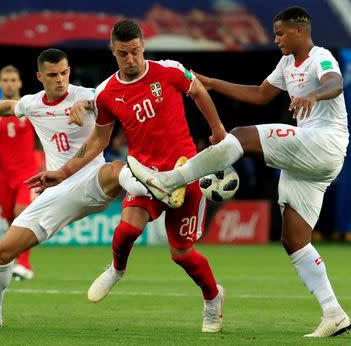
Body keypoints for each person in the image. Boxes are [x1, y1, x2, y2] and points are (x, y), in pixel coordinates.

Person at [127, 6, 351, 338]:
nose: (275, 39)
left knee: (243, 135)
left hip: (324, 142)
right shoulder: (288, 63)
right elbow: (261, 95)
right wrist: (213, 84)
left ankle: (169, 179)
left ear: (300, 31)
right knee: (294, 239)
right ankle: (334, 313)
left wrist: (314, 94)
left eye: (280, 33)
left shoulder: (321, 57)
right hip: (310, 161)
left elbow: (335, 82)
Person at [28, 20, 228, 333]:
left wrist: (218, 131)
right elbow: (98, 141)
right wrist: (62, 172)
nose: (130, 59)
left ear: (143, 46)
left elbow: (199, 91)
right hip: (144, 175)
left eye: (135, 51)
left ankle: (213, 299)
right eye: (123, 54)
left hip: (185, 170)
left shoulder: (169, 70)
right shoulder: (108, 92)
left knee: (182, 254)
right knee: (125, 231)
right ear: (113, 51)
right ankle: (117, 269)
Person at [0, 48, 148, 329]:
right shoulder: (33, 104)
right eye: (53, 75)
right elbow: (10, 107)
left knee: (116, 169)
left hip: (91, 179)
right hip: (57, 192)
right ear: (40, 76)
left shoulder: (86, 94)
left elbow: (102, 101)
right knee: (2, 252)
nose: (60, 80)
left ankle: (152, 188)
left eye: (64, 73)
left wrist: (85, 106)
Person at [0, 65, 38, 280]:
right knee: (9, 220)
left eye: (13, 79)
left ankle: (24, 265)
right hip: (3, 177)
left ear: (20, 83)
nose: (10, 83)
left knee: (22, 214)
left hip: (27, 174)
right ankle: (13, 260)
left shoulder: (29, 107)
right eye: (6, 80)